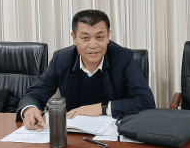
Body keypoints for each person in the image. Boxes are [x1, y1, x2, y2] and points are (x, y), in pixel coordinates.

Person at [18, 9, 155, 130]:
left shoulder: (123, 58)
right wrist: (29, 109)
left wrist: (102, 108)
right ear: (74, 38)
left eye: (99, 37)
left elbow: (146, 101)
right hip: (73, 135)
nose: (93, 45)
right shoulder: (61, 59)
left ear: (108, 36)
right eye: (85, 38)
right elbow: (34, 94)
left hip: (113, 134)